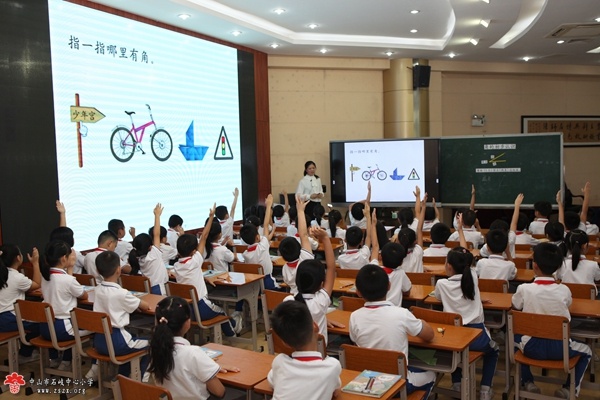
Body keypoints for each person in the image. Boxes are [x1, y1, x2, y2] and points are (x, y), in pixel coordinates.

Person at [512, 243, 592, 398]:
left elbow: (515, 305)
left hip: (531, 347)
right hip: (560, 349)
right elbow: (568, 304)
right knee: (587, 351)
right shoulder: (564, 290)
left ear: (535, 265)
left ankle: (527, 382)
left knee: (513, 341)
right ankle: (569, 389)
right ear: (558, 267)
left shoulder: (523, 289)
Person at [349, 264, 436, 397]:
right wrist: (420, 321)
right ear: (389, 286)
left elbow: (356, 344)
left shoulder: (354, 316)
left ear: (358, 292)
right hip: (397, 383)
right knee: (432, 374)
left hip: (367, 382)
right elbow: (429, 335)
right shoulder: (402, 314)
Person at [434, 243, 499, 400]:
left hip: (452, 338)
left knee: (456, 350)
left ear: (449, 266)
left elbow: (437, 297)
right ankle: (485, 389)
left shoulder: (441, 284)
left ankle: (457, 384)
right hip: (476, 337)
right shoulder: (473, 276)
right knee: (494, 350)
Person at [148, 296, 239, 400]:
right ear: (188, 322)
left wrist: (209, 366)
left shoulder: (155, 349)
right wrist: (209, 369)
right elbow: (219, 392)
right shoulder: (193, 353)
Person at [174, 205, 240, 337]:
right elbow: (204, 236)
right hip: (201, 307)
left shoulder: (176, 266)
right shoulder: (195, 261)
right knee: (222, 312)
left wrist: (203, 278)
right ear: (194, 251)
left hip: (185, 310)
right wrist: (211, 217)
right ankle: (233, 333)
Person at [87, 250, 151, 381]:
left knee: (131, 340)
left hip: (99, 341)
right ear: (118, 270)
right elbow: (145, 306)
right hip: (118, 342)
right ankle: (141, 380)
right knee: (153, 343)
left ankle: (120, 378)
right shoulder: (122, 293)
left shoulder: (97, 290)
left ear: (98, 271)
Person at [268, 301, 341, 399]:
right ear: (315, 326)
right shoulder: (332, 367)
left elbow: (272, 381)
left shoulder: (279, 362)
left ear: (285, 343)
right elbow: (336, 389)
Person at [40, 240, 90, 370]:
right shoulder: (68, 280)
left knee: (73, 322)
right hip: (62, 329)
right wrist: (71, 270)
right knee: (95, 329)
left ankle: (55, 359)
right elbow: (83, 295)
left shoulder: (45, 276)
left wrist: (69, 269)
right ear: (64, 258)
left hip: (45, 328)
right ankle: (67, 361)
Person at [287, 225, 338, 344]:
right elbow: (331, 268)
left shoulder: (289, 301)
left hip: (295, 351)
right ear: (321, 284)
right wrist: (325, 238)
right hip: (319, 353)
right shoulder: (321, 301)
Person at [0, 244, 41, 361]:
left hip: (4, 319)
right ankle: (25, 354)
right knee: (41, 324)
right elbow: (37, 284)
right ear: (18, 258)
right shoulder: (16, 277)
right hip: (7, 319)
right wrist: (35, 263)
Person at [128, 204, 170, 295]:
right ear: (150, 247)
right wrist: (157, 216)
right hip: (159, 288)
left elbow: (139, 244)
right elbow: (157, 234)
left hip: (148, 288)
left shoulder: (138, 258)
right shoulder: (154, 254)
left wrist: (133, 236)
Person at [240, 194, 279, 290]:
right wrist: (268, 206)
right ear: (257, 237)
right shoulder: (262, 246)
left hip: (254, 283)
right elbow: (265, 225)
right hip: (268, 282)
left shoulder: (245, 254)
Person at [278, 197, 314, 295]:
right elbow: (304, 235)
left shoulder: (285, 269)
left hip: (293, 296)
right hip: (310, 297)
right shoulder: (305, 259)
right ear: (300, 248)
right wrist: (300, 211)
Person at [555, 229, 600, 293]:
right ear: (585, 246)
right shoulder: (593, 265)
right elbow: (598, 279)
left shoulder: (562, 264)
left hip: (566, 296)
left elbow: (557, 278)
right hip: (588, 298)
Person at [338, 204, 376, 270]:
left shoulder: (340, 259)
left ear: (345, 240)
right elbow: (368, 236)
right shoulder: (364, 254)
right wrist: (368, 216)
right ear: (361, 242)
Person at [397, 191, 426, 273]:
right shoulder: (418, 252)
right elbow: (419, 229)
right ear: (415, 241)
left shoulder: (396, 256)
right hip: (419, 282)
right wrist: (423, 207)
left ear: (398, 241)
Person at [54, 201, 85, 274]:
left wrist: (62, 214)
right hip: (74, 280)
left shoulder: (53, 255)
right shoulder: (74, 254)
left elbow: (62, 234)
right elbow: (88, 262)